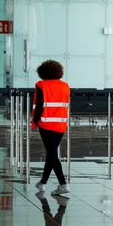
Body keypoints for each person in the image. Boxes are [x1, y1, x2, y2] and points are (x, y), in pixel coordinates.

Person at [31, 60, 70, 195]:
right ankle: (42, 183)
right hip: (60, 124)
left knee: (52, 154)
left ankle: (63, 184)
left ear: (43, 72)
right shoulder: (65, 86)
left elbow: (39, 106)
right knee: (51, 153)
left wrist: (34, 122)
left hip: (46, 124)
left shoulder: (41, 85)